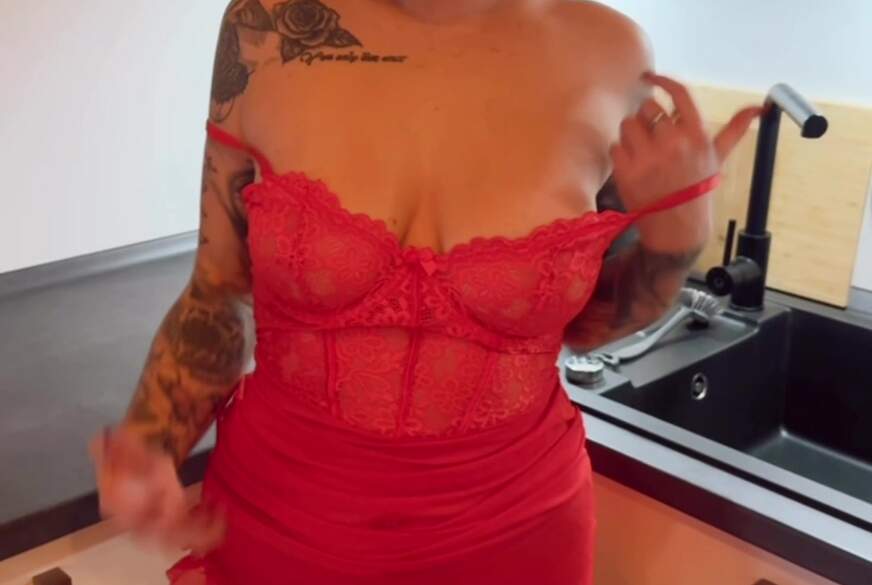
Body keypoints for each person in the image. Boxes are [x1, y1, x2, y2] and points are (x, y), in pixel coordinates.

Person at [90, 1, 760, 583]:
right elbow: (220, 291)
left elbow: (582, 327)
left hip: (518, 534)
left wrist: (675, 245)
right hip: (282, 528)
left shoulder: (613, 54)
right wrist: (155, 436)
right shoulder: (265, 25)